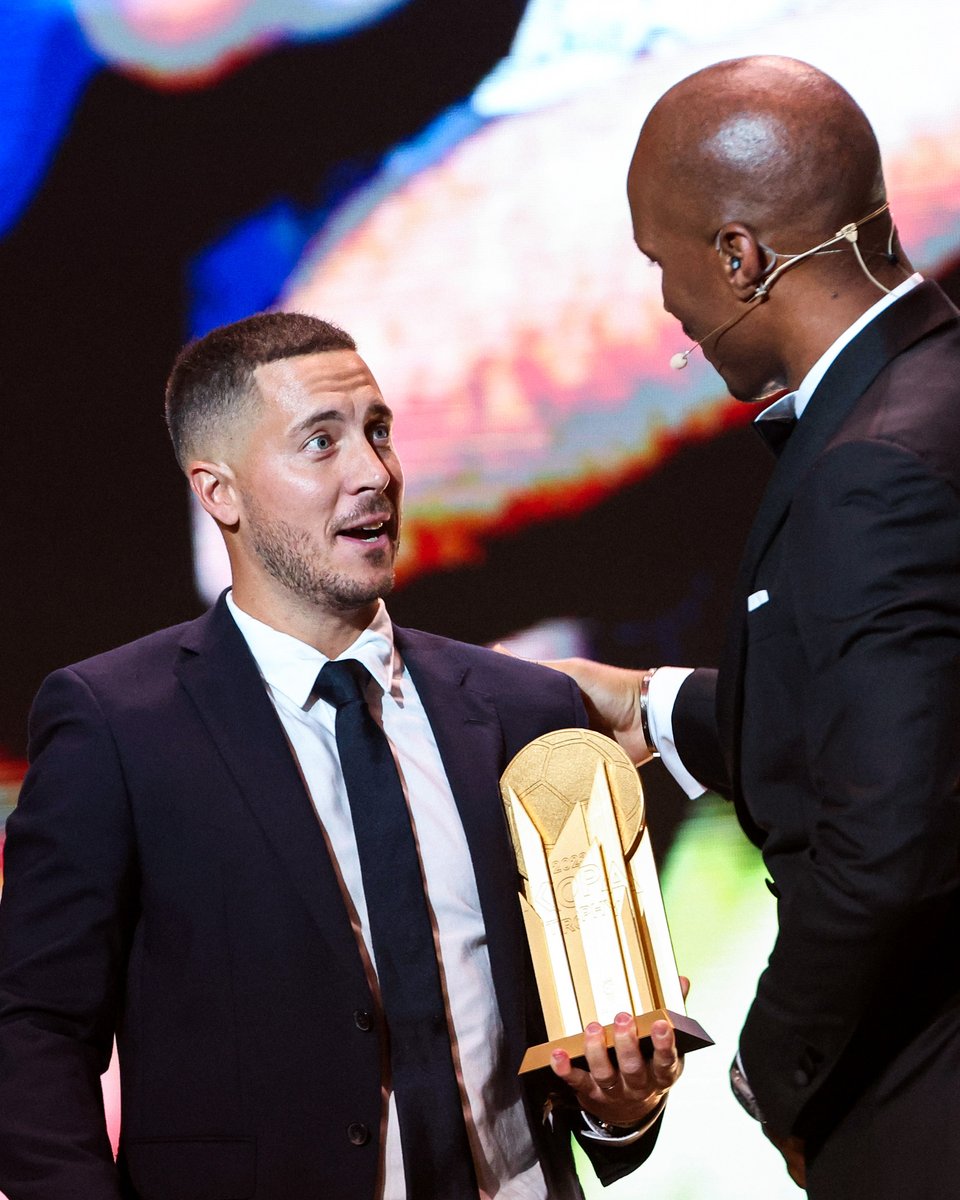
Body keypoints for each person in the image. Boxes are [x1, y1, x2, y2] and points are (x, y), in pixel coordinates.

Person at [0, 313, 683, 1200]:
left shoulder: (523, 707)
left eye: (379, 432)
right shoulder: (117, 725)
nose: (374, 473)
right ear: (221, 493)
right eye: (320, 443)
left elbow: (593, 1041)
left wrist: (618, 1108)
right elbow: (35, 1028)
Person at [549, 56, 960, 1198]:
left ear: (739, 257)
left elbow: (890, 837)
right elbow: (903, 713)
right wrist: (654, 706)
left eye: (661, 263)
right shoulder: (933, 392)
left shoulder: (871, 466)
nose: (667, 303)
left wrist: (774, 1069)